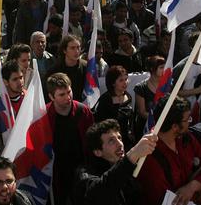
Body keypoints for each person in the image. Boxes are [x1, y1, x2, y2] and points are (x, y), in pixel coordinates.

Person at [137, 95, 201, 205]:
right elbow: (165, 200)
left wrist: (194, 186)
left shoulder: (186, 138)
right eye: (188, 119)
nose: (190, 121)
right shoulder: (149, 156)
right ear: (174, 126)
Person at [73, 119, 157, 205]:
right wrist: (132, 155)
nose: (120, 144)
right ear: (98, 152)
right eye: (111, 141)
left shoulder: (130, 167)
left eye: (119, 138)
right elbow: (100, 193)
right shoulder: (85, 175)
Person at [46, 73, 94, 205]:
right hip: (57, 172)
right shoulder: (45, 115)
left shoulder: (83, 112)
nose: (68, 97)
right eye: (62, 95)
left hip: (81, 169)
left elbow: (92, 141)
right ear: (51, 97)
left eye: (69, 91)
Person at [93, 65, 135, 149]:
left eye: (126, 79)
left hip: (128, 140)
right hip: (112, 142)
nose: (125, 83)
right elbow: (100, 123)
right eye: (121, 80)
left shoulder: (128, 96)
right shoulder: (105, 100)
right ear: (113, 83)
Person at [134, 54, 166, 139]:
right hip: (146, 127)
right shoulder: (141, 88)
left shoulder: (167, 86)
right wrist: (158, 119)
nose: (165, 70)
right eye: (161, 67)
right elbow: (142, 112)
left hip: (164, 127)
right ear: (152, 69)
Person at [48, 35, 86, 102]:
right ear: (64, 50)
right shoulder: (54, 70)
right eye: (72, 48)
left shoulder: (86, 67)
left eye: (78, 47)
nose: (76, 51)